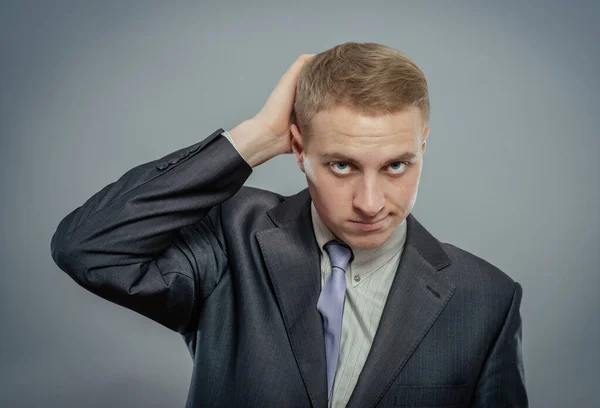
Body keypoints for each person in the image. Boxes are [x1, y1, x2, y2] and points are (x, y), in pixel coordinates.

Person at [50, 42, 527, 407]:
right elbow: (88, 248)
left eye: (396, 166)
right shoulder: (230, 236)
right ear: (298, 149)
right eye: (342, 165)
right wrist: (253, 140)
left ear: (424, 146)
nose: (370, 202)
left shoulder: (486, 297)